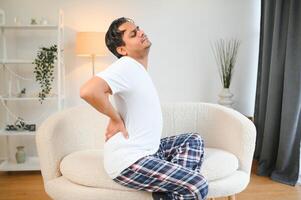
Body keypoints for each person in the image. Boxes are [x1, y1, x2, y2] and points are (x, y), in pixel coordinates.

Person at [80, 17, 208, 200]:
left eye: (138, 29)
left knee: (193, 140)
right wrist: (115, 119)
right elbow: (88, 91)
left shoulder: (137, 70)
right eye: (133, 34)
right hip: (129, 161)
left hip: (151, 151)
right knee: (197, 185)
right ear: (122, 50)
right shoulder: (126, 66)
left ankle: (168, 195)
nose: (141, 32)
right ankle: (176, 191)